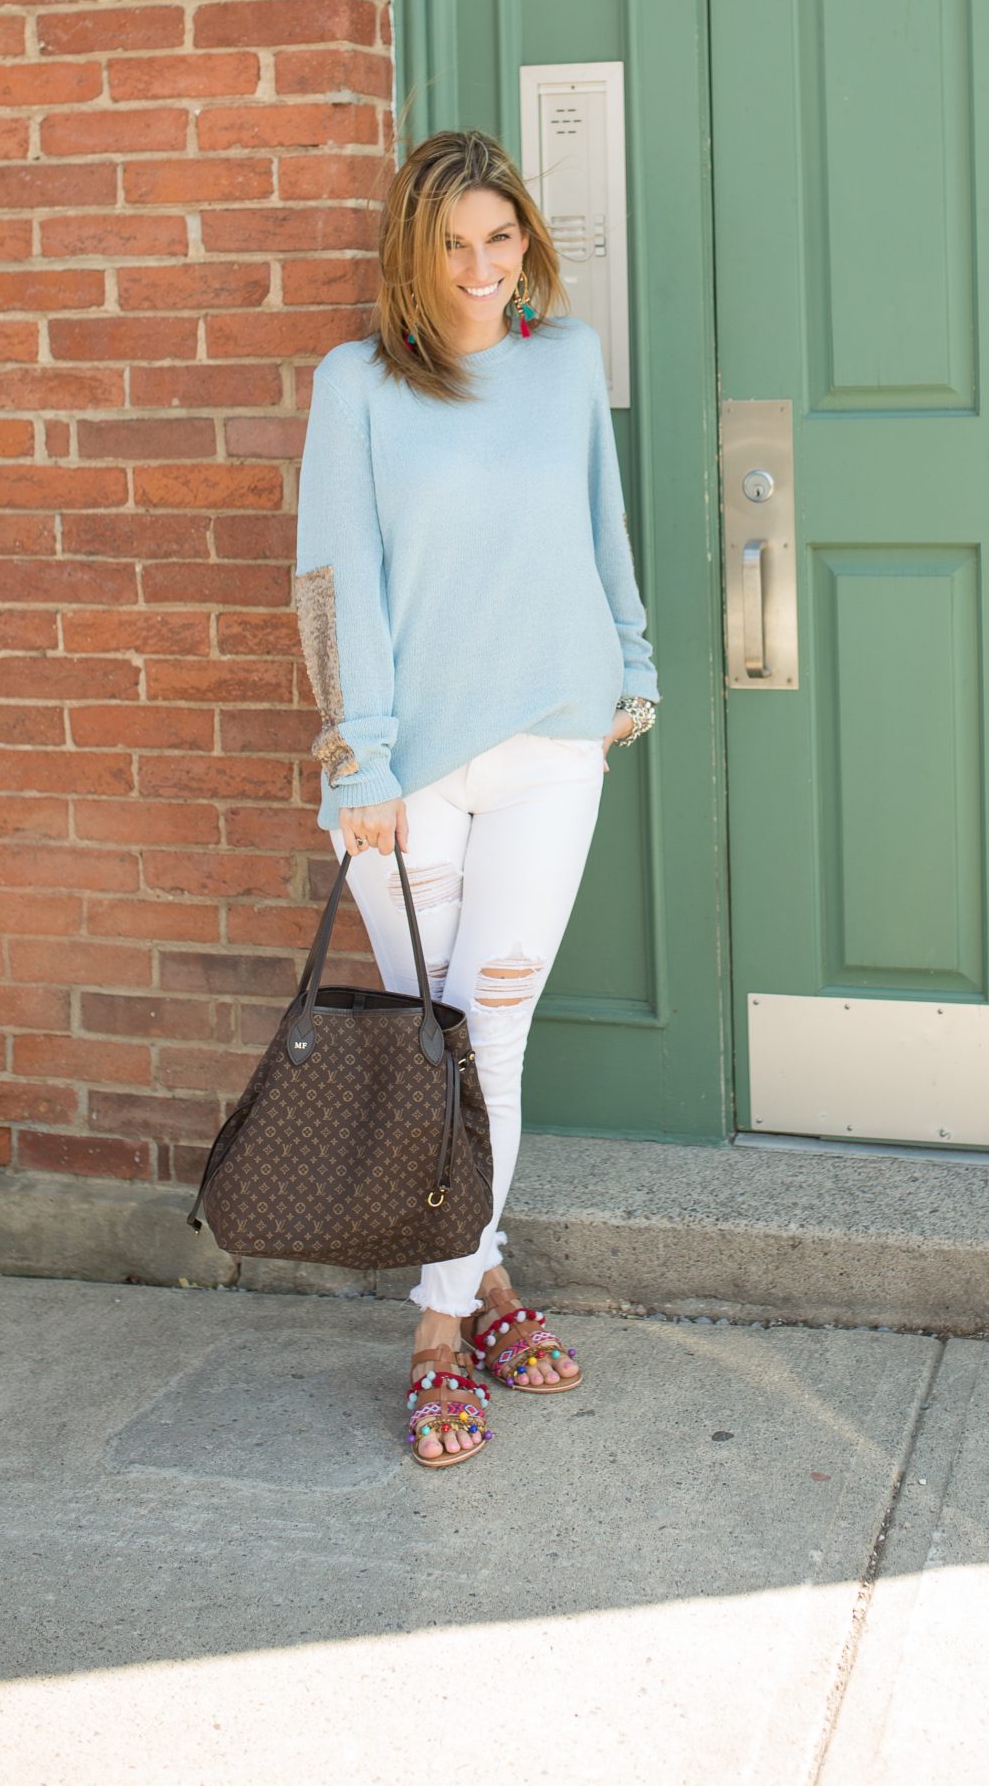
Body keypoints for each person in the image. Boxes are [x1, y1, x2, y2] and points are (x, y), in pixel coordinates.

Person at [293, 127, 660, 1467]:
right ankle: (487, 1290)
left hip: (554, 745)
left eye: (499, 238)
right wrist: (360, 759)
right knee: (430, 1052)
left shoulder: (564, 361)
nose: (478, 267)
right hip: (406, 778)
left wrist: (633, 671)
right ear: (412, 252)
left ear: (526, 243)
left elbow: (599, 525)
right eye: (451, 244)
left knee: (487, 1039)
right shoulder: (358, 385)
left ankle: (436, 1336)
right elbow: (333, 579)